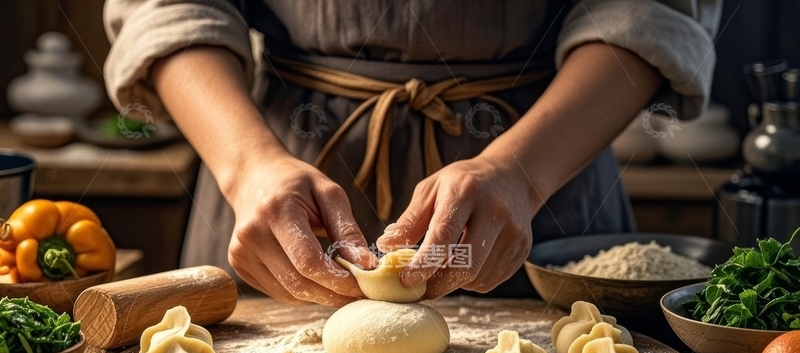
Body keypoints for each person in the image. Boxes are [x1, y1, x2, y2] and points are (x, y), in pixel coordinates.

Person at [104, 0, 722, 306]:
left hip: (550, 157)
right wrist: (247, 167)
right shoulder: (252, 168)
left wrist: (522, 175)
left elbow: (649, 10)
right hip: (271, 158)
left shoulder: (534, 175)